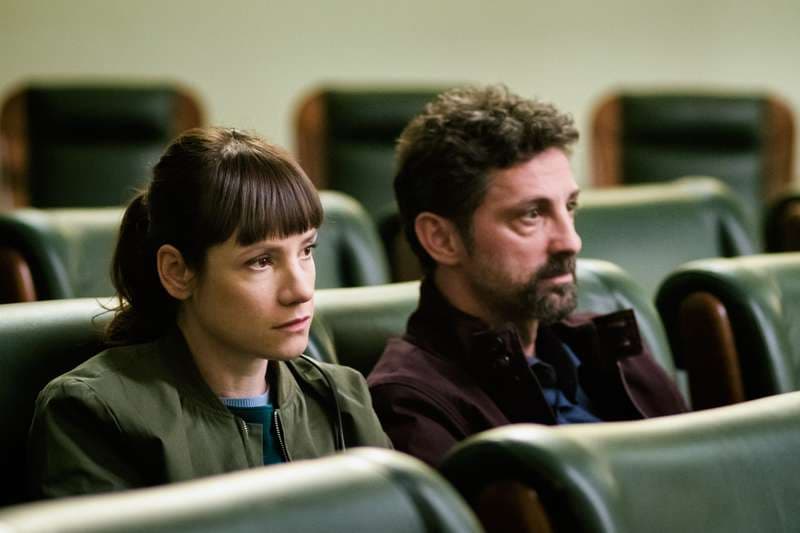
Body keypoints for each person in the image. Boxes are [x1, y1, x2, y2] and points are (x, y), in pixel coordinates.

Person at [28, 127, 390, 498]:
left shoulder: (342, 398)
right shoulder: (93, 414)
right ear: (177, 272)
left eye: (306, 250)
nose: (301, 290)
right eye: (261, 261)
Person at [367, 85, 688, 467]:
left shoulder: (611, 347)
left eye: (570, 207)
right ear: (442, 239)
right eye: (531, 215)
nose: (571, 241)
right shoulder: (411, 403)